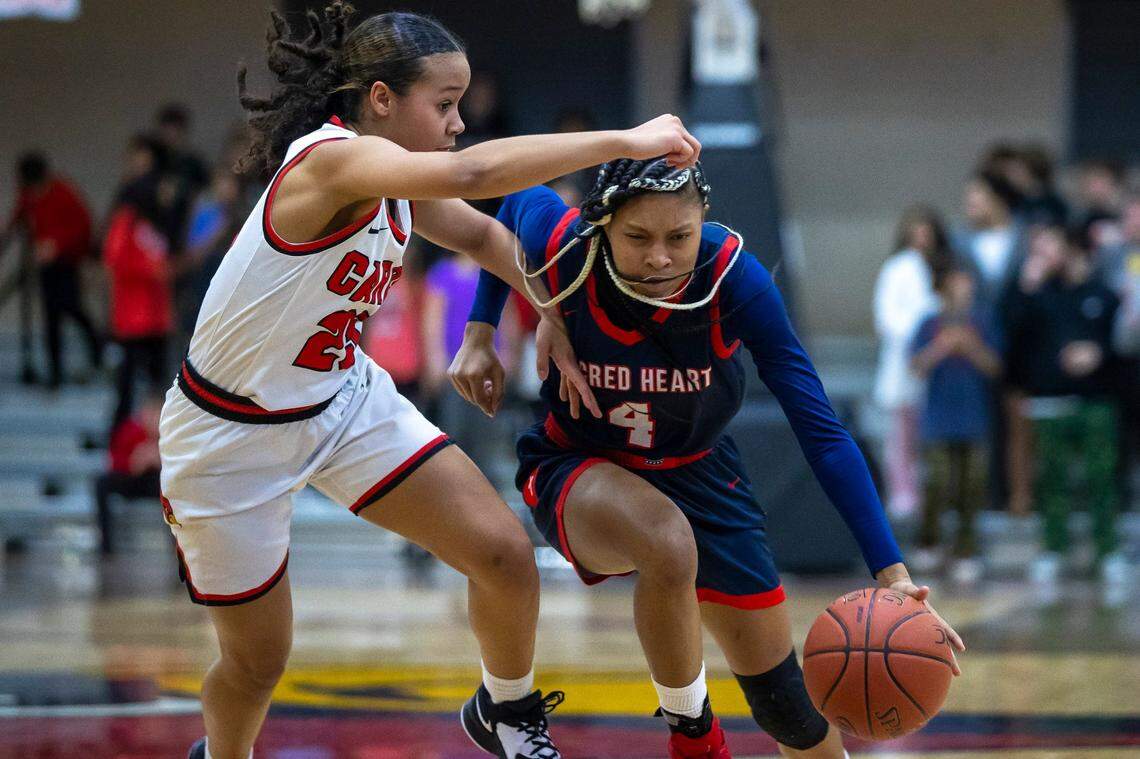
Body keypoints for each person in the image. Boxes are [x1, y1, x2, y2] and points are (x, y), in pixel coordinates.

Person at [159, 5, 701, 759]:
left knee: (505, 554)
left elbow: (481, 230)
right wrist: (627, 138)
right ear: (380, 99)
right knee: (256, 663)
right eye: (443, 104)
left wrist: (549, 308)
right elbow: (476, 173)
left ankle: (506, 710)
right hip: (229, 434)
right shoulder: (331, 163)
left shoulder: (398, 182)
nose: (455, 123)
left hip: (341, 399)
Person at [451, 158, 964, 759]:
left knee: (790, 711)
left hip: (698, 471)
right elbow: (510, 201)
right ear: (603, 227)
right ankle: (695, 738)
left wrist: (892, 573)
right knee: (666, 540)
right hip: (577, 463)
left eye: (680, 237)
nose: (660, 258)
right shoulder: (569, 250)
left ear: (704, 225)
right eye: (637, 238)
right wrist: (483, 329)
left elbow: (821, 431)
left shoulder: (737, 283)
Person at [1004, 224, 1128, 605]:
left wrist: (1098, 355)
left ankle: (1109, 551)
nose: (1041, 253)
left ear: (1072, 248)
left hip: (1095, 401)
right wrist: (1026, 287)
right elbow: (1011, 335)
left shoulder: (1104, 295)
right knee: (1051, 481)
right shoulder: (1037, 294)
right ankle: (1053, 548)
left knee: (1101, 477)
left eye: (1048, 244)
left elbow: (1122, 345)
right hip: (1049, 401)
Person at [910, 270, 1001, 584]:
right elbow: (916, 367)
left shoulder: (984, 322)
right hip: (938, 417)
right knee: (937, 481)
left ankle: (966, 550)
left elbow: (995, 367)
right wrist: (942, 347)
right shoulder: (928, 323)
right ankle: (929, 541)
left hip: (974, 417)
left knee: (972, 485)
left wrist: (971, 347)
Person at [871, 206, 951, 519]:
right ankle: (904, 493)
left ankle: (934, 494)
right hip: (905, 359)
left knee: (930, 433)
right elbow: (887, 315)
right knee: (900, 434)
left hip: (937, 359)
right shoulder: (897, 268)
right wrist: (917, 336)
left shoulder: (942, 267)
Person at [2, 151, 102, 388]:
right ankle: (55, 372)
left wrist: (56, 245)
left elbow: (83, 226)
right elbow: (16, 220)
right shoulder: (28, 196)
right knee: (51, 318)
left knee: (72, 308)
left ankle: (98, 349)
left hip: (66, 263)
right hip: (46, 268)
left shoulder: (62, 192)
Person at [103, 172, 176, 432]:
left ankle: (158, 435)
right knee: (127, 385)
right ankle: (118, 435)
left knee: (159, 384)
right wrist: (149, 269)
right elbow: (115, 260)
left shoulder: (152, 223)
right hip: (133, 317)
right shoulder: (126, 221)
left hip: (155, 316)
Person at [94, 394, 163, 555]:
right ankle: (106, 545)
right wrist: (134, 462)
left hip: (156, 484)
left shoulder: (168, 434)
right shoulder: (130, 429)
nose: (153, 419)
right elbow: (113, 461)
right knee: (101, 483)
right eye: (150, 414)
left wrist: (159, 460)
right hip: (130, 480)